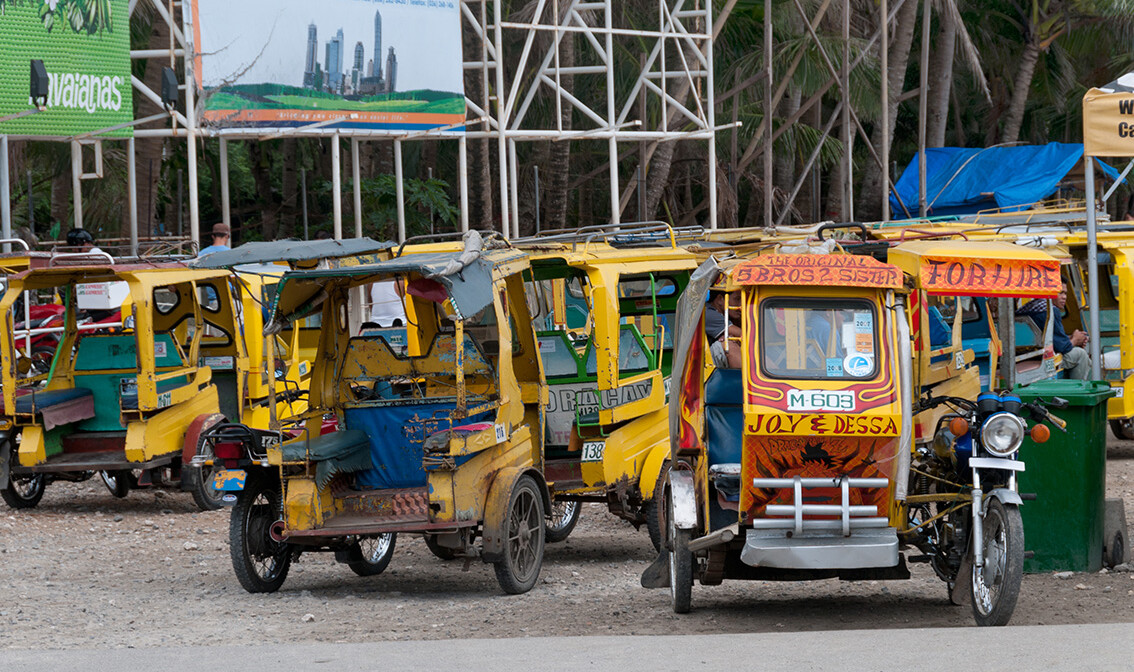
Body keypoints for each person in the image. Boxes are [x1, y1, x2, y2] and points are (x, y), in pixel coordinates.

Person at [1018, 282, 1089, 380]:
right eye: (1060, 293)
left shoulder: (1033, 306)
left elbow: (1050, 338)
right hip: (1042, 358)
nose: (1064, 297)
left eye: (1065, 293)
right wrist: (1075, 340)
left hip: (1026, 353)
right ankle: (1078, 390)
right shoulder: (1050, 310)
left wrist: (1071, 338)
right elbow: (1063, 348)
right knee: (1081, 354)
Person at [705, 291, 742, 368]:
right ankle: (743, 379)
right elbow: (743, 334)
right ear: (720, 299)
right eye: (737, 299)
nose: (741, 304)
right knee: (729, 345)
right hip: (702, 361)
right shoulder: (708, 313)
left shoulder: (726, 314)